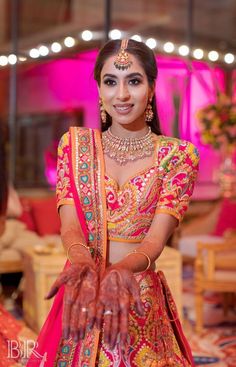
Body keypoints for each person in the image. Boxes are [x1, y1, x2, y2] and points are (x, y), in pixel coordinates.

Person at [26, 38, 199, 367]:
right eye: (110, 81)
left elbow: (154, 242)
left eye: (133, 81)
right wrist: (81, 263)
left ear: (150, 87)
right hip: (84, 291)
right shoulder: (75, 147)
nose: (121, 95)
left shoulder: (177, 156)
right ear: (99, 88)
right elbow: (71, 226)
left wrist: (121, 270)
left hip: (137, 298)